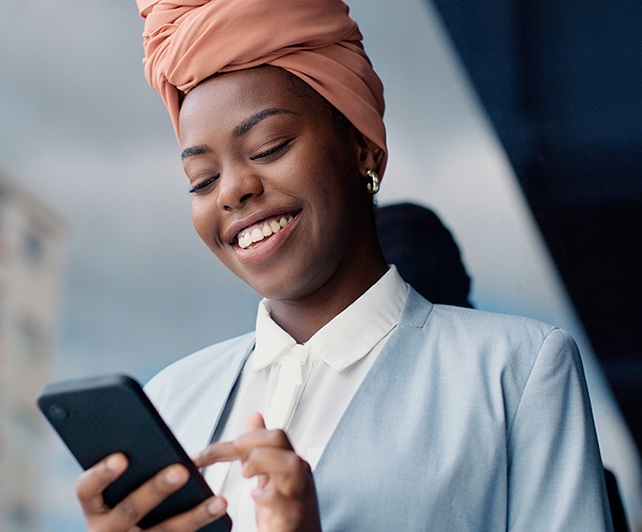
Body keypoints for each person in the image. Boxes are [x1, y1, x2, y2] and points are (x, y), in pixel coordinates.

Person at [75, 0, 612, 530]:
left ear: (363, 148)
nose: (233, 190)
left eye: (268, 146)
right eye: (202, 180)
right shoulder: (171, 402)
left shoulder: (515, 371)